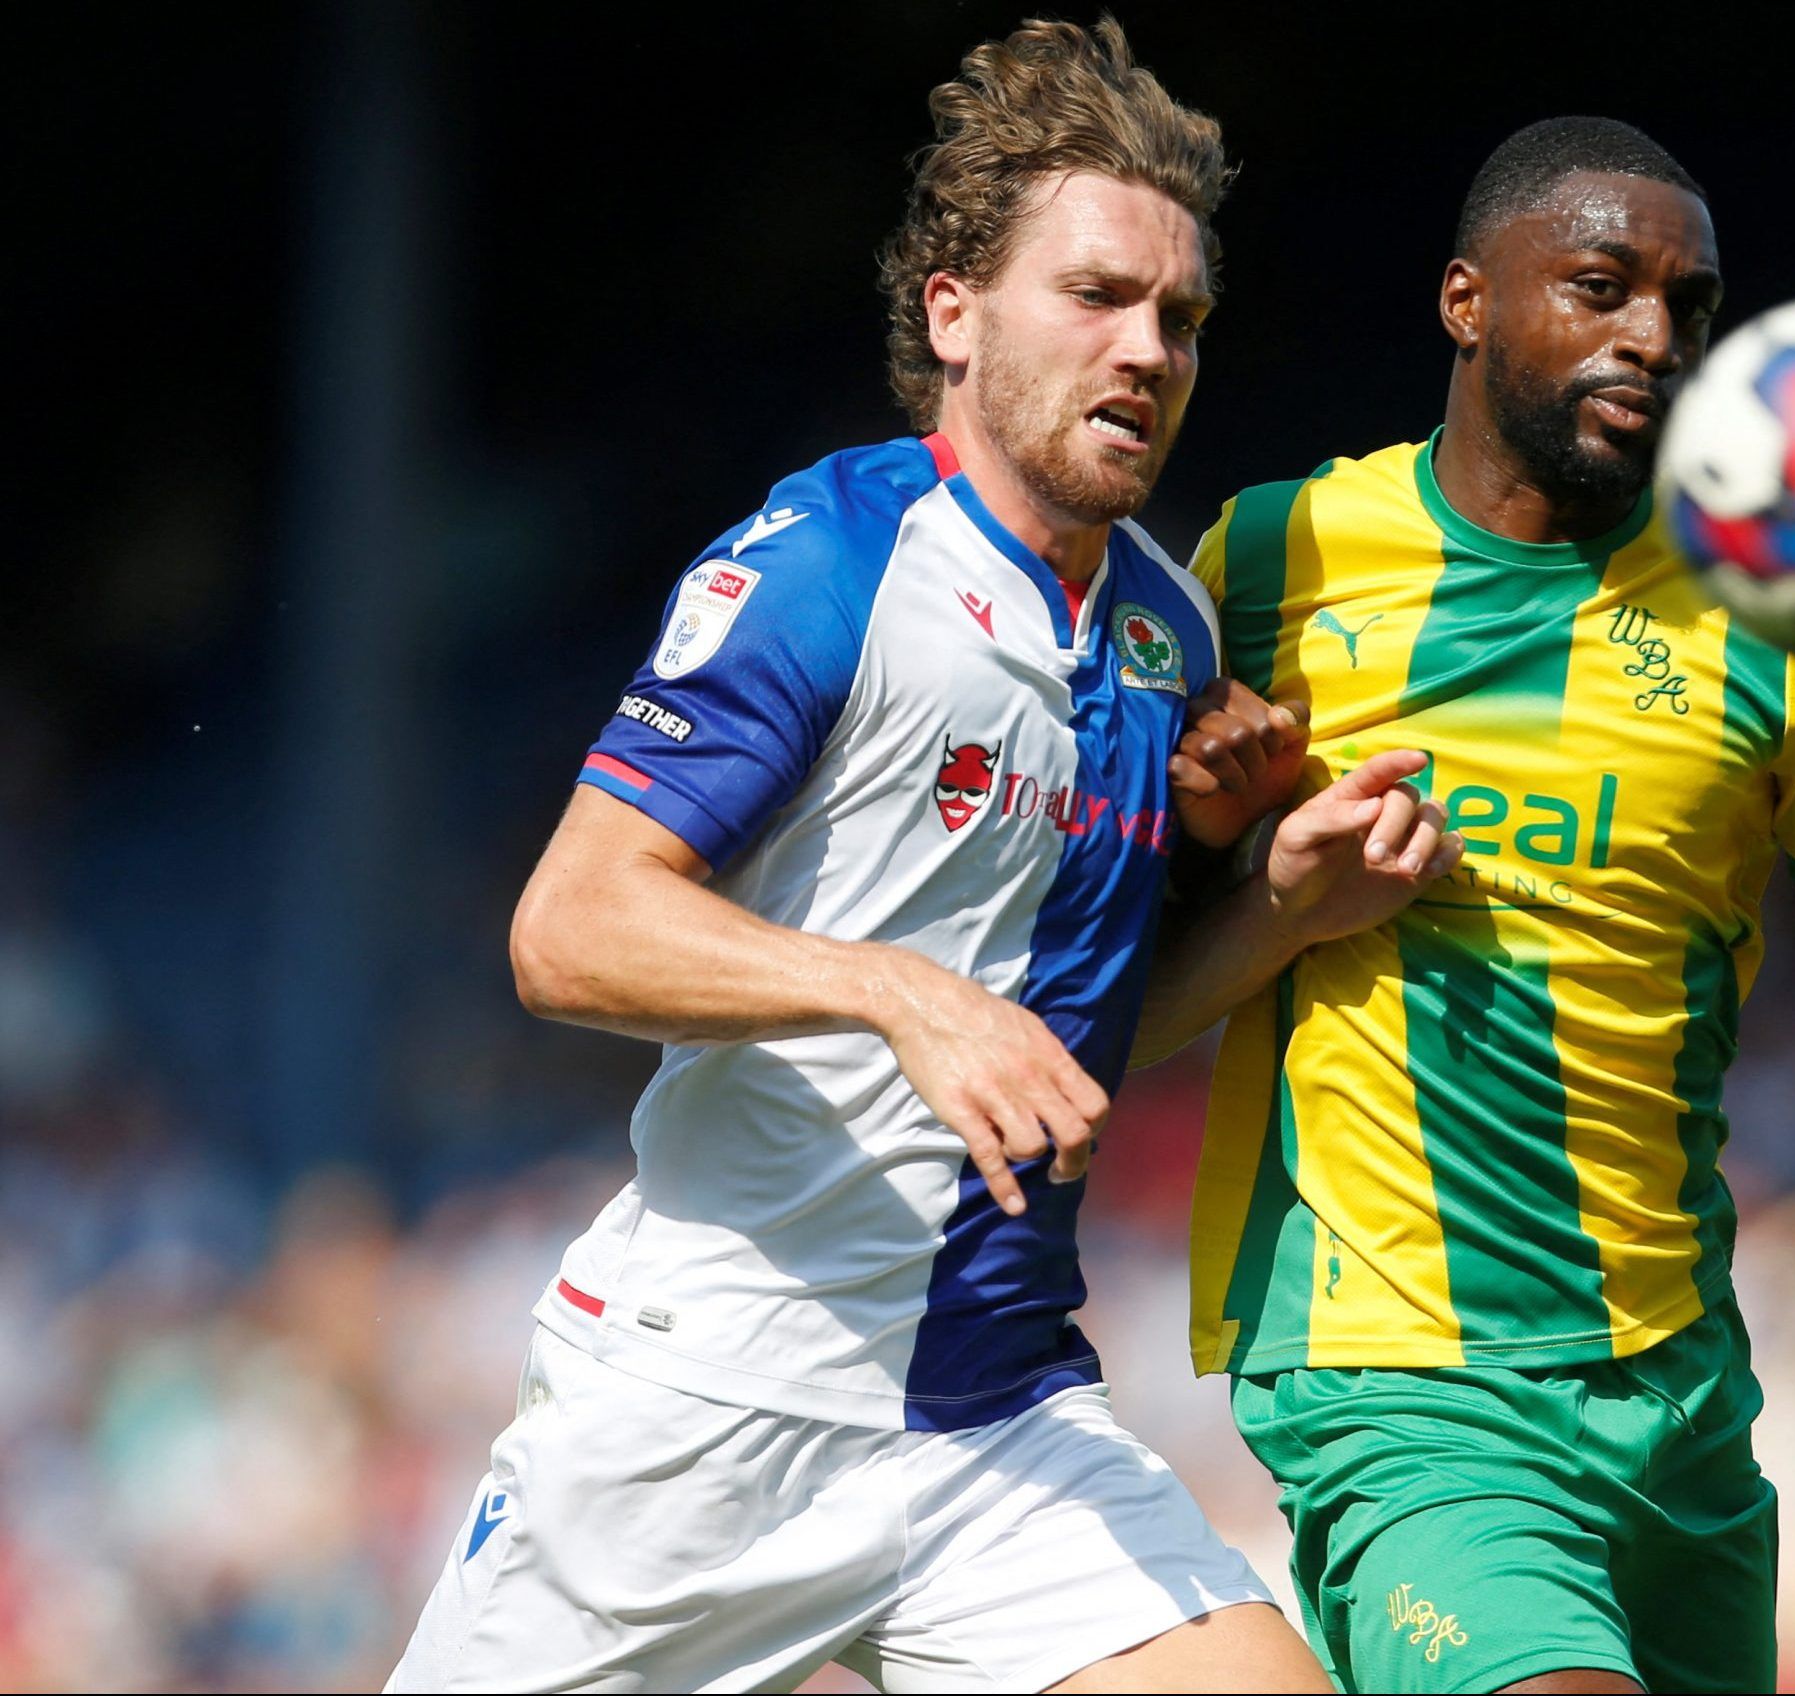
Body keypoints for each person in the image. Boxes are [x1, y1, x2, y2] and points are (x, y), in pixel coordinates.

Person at [387, 21, 1448, 1693]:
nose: (1149, 349)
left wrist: (1282, 909)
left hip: (998, 1414)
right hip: (704, 1414)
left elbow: (1066, 1048)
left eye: (1178, 317)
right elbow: (569, 931)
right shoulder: (831, 561)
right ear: (954, 314)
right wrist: (893, 996)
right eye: (1095, 296)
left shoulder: (1166, 624)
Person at [1140, 117, 1795, 1694]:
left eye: (1687, 308)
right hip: (1399, 1382)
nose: (1652, 337)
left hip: (1679, 1403)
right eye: (1602, 286)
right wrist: (1218, 828)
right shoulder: (1271, 561)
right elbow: (1116, 955)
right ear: (1466, 302)